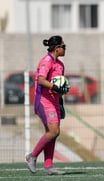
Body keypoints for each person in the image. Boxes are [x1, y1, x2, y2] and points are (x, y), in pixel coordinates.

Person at [25, 35, 69, 175]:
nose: (65, 49)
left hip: (55, 101)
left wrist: (61, 99)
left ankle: (48, 167)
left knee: (53, 133)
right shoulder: (46, 61)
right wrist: (55, 87)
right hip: (43, 101)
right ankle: (32, 156)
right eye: (63, 46)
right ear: (57, 49)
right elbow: (42, 80)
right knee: (54, 131)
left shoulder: (60, 65)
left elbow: (59, 84)